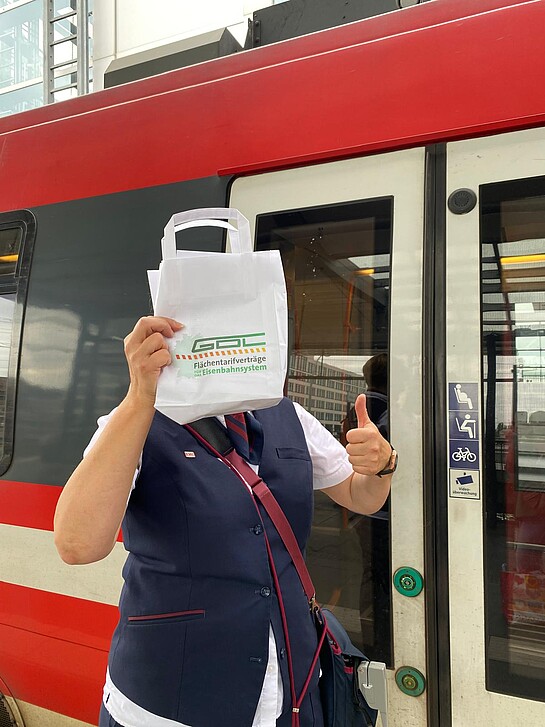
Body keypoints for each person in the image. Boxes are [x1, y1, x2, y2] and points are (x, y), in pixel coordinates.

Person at [54, 316, 396, 727]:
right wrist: (139, 396)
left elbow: (359, 495)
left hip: (291, 692)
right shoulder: (135, 421)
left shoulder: (290, 417)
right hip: (168, 704)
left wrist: (382, 466)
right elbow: (77, 545)